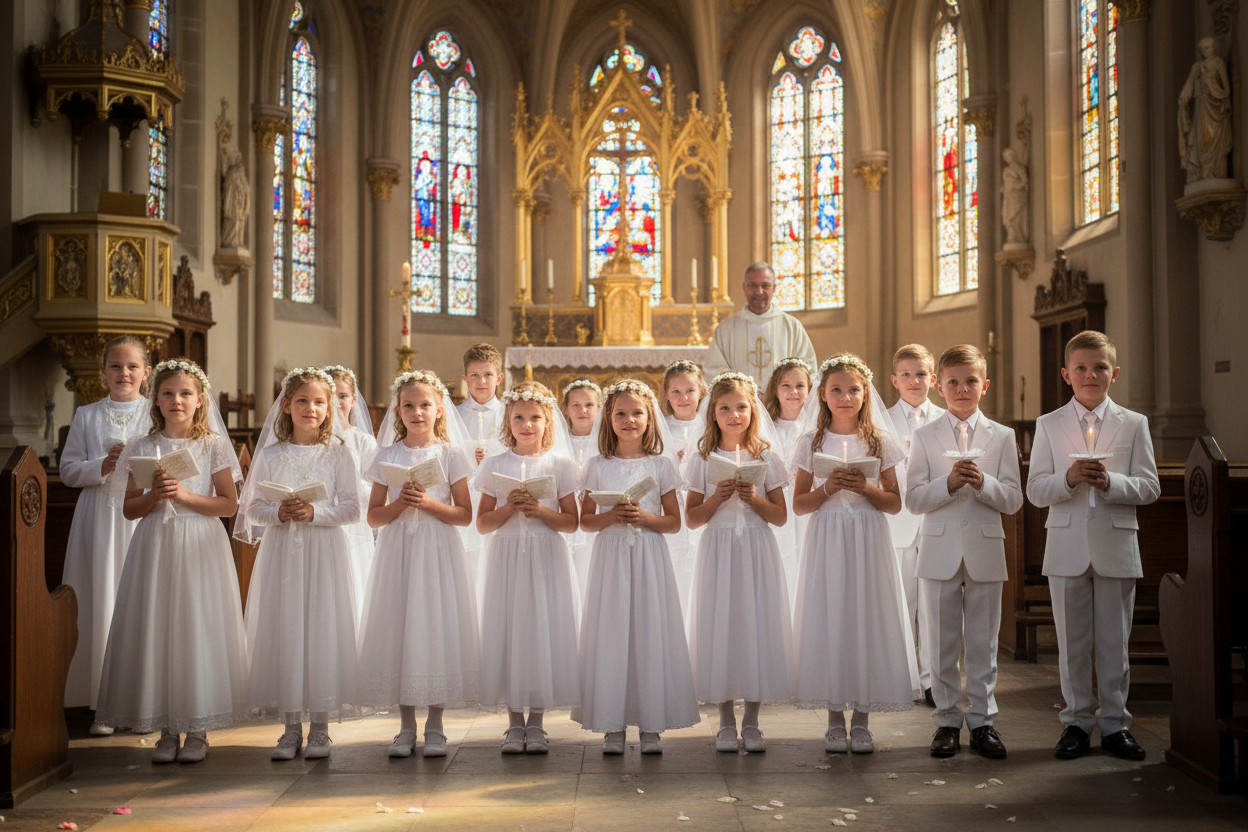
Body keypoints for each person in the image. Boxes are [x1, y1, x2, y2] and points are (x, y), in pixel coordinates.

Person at [94, 359, 248, 764]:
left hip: (200, 544)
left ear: (200, 400)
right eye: (168, 393)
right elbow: (129, 509)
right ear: (155, 399)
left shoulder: (212, 445)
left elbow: (228, 504)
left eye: (185, 394)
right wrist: (155, 496)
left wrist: (183, 496)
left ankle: (197, 729)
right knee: (158, 626)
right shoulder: (141, 447)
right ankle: (166, 729)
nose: (176, 400)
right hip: (155, 543)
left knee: (195, 625)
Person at [1025, 331, 1159, 761]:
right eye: (1081, 368)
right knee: (1073, 642)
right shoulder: (1049, 424)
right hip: (1066, 545)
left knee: (1114, 642)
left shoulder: (1133, 424)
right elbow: (1035, 491)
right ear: (1066, 374)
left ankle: (1116, 725)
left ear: (1114, 373)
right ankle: (1077, 723)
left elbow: (1150, 486)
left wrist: (1112, 481)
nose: (1090, 375)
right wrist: (1068, 479)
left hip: (1116, 544)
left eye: (1099, 367)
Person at [235, 368, 362, 761]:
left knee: (321, 628)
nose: (311, 408)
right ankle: (290, 728)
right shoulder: (271, 454)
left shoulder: (340, 451)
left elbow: (354, 508)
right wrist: (279, 511)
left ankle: (320, 727)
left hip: (325, 552)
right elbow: (251, 509)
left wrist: (313, 512)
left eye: (320, 401)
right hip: (282, 554)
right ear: (286, 406)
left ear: (331, 408)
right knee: (286, 627)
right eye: (302, 401)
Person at [792, 355, 916, 754]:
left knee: (865, 616)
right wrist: (828, 489)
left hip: (868, 535)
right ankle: (832, 718)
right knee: (831, 616)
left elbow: (896, 503)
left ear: (866, 394)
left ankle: (861, 718)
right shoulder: (809, 442)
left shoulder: (881, 440)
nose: (845, 397)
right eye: (836, 390)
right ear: (823, 396)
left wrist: (865, 488)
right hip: (827, 535)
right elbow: (799, 505)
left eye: (854, 390)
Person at [905, 345, 1023, 759]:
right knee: (939, 642)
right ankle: (947, 722)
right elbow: (915, 499)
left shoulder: (1002, 436)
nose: (961, 388)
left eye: (970, 380)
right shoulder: (924, 436)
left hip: (985, 551)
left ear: (984, 385)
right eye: (952, 381)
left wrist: (983, 483)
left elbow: (1012, 499)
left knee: (982, 643)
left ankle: (983, 721)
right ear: (938, 386)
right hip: (938, 553)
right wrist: (949, 484)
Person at [360, 370, 480, 759]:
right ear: (398, 410)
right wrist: (400, 504)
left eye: (425, 405)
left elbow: (464, 515)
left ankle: (436, 725)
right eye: (409, 406)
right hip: (399, 553)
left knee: (434, 628)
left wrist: (428, 503)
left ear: (440, 409)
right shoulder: (387, 455)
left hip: (438, 551)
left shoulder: (451, 454)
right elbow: (374, 517)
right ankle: (406, 726)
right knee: (401, 627)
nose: (417, 412)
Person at [575, 380, 697, 755]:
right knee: (612, 633)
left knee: (649, 632)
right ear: (608, 419)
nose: (629, 420)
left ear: (650, 418)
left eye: (637, 413)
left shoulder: (661, 465)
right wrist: (612, 515)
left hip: (649, 556)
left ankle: (651, 724)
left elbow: (674, 522)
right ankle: (612, 724)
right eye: (620, 414)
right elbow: (585, 522)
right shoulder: (597, 466)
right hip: (611, 558)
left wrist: (643, 517)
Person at [686, 372, 792, 754]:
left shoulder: (767, 456)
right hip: (718, 550)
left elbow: (780, 516)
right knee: (723, 628)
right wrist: (716, 498)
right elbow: (693, 518)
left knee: (755, 627)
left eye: (742, 407)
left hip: (756, 549)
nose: (734, 415)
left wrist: (753, 498)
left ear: (754, 410)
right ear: (712, 413)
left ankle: (752, 721)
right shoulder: (702, 458)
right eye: (725, 408)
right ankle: (726, 721)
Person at [475, 381, 580, 754]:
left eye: (535, 417)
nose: (527, 424)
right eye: (519, 417)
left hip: (546, 556)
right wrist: (508, 508)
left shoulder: (561, 465)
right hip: (507, 557)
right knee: (510, 629)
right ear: (508, 420)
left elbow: (572, 522)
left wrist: (540, 511)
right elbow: (483, 523)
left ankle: (536, 721)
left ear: (548, 419)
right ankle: (513, 723)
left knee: (540, 630)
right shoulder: (495, 464)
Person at [60, 336, 153, 734]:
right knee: (101, 600)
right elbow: (67, 470)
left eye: (132, 367)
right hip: (98, 515)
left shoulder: (156, 412)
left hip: (140, 514)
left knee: (140, 601)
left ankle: (143, 701)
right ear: (102, 371)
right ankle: (102, 703)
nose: (123, 374)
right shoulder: (87, 415)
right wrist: (103, 462)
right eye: (115, 366)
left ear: (146, 373)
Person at [885, 344, 944, 707]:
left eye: (921, 373)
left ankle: (933, 681)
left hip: (937, 519)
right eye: (905, 374)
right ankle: (902, 678)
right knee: (902, 603)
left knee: (935, 606)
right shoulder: (881, 420)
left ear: (933, 379)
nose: (913, 381)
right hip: (898, 523)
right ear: (894, 380)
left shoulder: (946, 417)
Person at [702, 262, 817, 386]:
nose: (759, 291)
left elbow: (807, 369)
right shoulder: (725, 329)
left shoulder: (792, 327)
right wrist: (743, 391)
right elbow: (713, 371)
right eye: (753, 286)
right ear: (744, 288)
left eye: (765, 286)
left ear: (774, 289)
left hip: (783, 403)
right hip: (739, 403)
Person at [324, 365, 378, 627]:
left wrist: (348, 487)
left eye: (343, 396)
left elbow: (377, 490)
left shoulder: (364, 442)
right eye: (331, 396)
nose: (337, 402)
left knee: (356, 588)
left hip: (355, 527)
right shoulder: (316, 442)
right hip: (323, 522)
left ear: (354, 400)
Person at [761, 357, 814, 611]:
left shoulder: (817, 428)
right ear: (775, 389)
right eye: (786, 386)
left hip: (808, 506)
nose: (793, 392)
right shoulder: (764, 428)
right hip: (777, 505)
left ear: (810, 389)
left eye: (800, 386)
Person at [456, 343, 506, 605]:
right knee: (467, 566)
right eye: (474, 375)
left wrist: (491, 460)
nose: (481, 381)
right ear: (465, 380)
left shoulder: (511, 414)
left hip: (498, 498)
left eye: (487, 375)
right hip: (464, 497)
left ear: (499, 378)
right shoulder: (454, 416)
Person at [660, 359, 707, 621]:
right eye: (676, 392)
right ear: (666, 394)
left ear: (701, 390)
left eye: (690, 390)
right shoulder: (660, 426)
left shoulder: (712, 423)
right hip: (673, 504)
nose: (683, 397)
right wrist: (671, 460)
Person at [562, 377, 603, 599]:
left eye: (589, 405)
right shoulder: (558, 442)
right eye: (575, 405)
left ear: (599, 408)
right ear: (566, 410)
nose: (582, 410)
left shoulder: (606, 444)